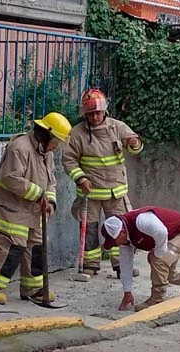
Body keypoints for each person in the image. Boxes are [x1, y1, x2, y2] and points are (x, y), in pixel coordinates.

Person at [0, 112, 72, 305]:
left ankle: (33, 289)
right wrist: (39, 195)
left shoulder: (47, 153)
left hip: (33, 211)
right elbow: (10, 178)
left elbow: (51, 181)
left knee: (36, 248)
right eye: (56, 141)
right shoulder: (20, 148)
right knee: (11, 248)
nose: (57, 146)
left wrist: (50, 201)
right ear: (46, 135)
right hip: (11, 210)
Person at [62, 88, 143, 280]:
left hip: (116, 191)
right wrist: (81, 178)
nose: (95, 117)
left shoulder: (118, 127)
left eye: (98, 112)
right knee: (89, 228)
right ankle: (90, 266)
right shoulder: (77, 133)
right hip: (90, 193)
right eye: (90, 114)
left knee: (120, 229)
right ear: (85, 114)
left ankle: (122, 266)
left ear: (105, 111)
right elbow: (69, 160)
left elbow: (136, 149)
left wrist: (134, 143)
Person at [101, 206, 180, 312]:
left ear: (122, 232)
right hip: (170, 236)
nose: (114, 244)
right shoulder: (125, 241)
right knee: (168, 275)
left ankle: (157, 300)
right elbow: (125, 266)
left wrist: (156, 253)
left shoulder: (141, 220)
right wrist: (127, 292)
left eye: (114, 241)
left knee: (159, 261)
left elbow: (161, 232)